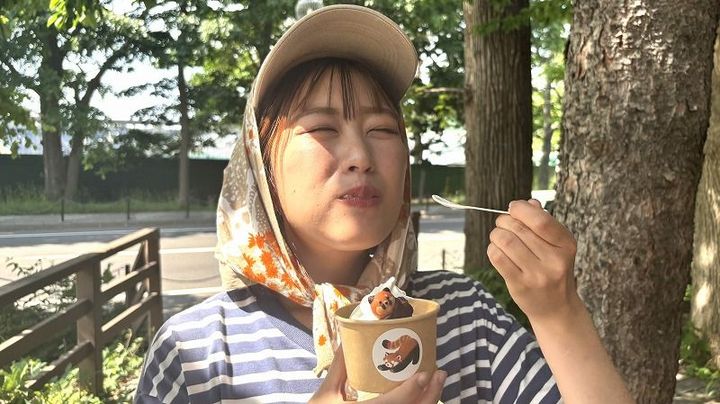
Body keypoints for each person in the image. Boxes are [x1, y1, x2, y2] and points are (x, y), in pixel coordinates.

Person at [134, 5, 634, 404]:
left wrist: (559, 312)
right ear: (260, 166)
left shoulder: (465, 317)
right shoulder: (197, 353)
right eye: (323, 128)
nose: (360, 156)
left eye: (382, 130)